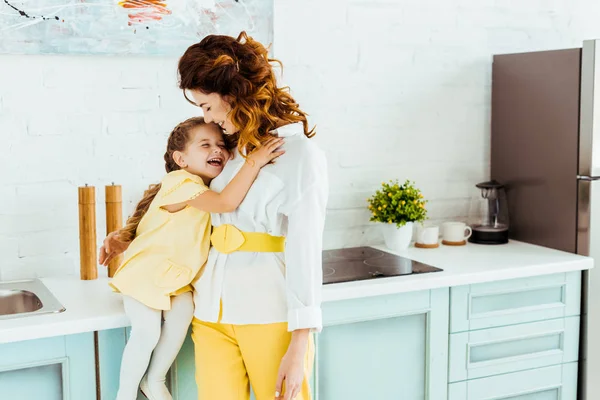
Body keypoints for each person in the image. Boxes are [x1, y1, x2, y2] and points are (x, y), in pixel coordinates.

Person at [101, 31, 328, 400]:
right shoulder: (223, 152)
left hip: (269, 314)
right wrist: (127, 235)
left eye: (206, 105)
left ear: (233, 94)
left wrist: (300, 341)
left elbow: (306, 248)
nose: (205, 116)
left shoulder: (299, 155)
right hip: (209, 314)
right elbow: (178, 207)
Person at [99, 116, 284, 400]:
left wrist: (122, 238)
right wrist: (254, 162)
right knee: (146, 332)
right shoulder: (181, 182)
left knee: (184, 313)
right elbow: (226, 203)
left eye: (221, 145)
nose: (217, 150)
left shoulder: (201, 189)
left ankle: (154, 379)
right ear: (180, 159)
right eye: (205, 144)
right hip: (146, 278)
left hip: (175, 282)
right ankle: (124, 394)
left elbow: (156, 226)